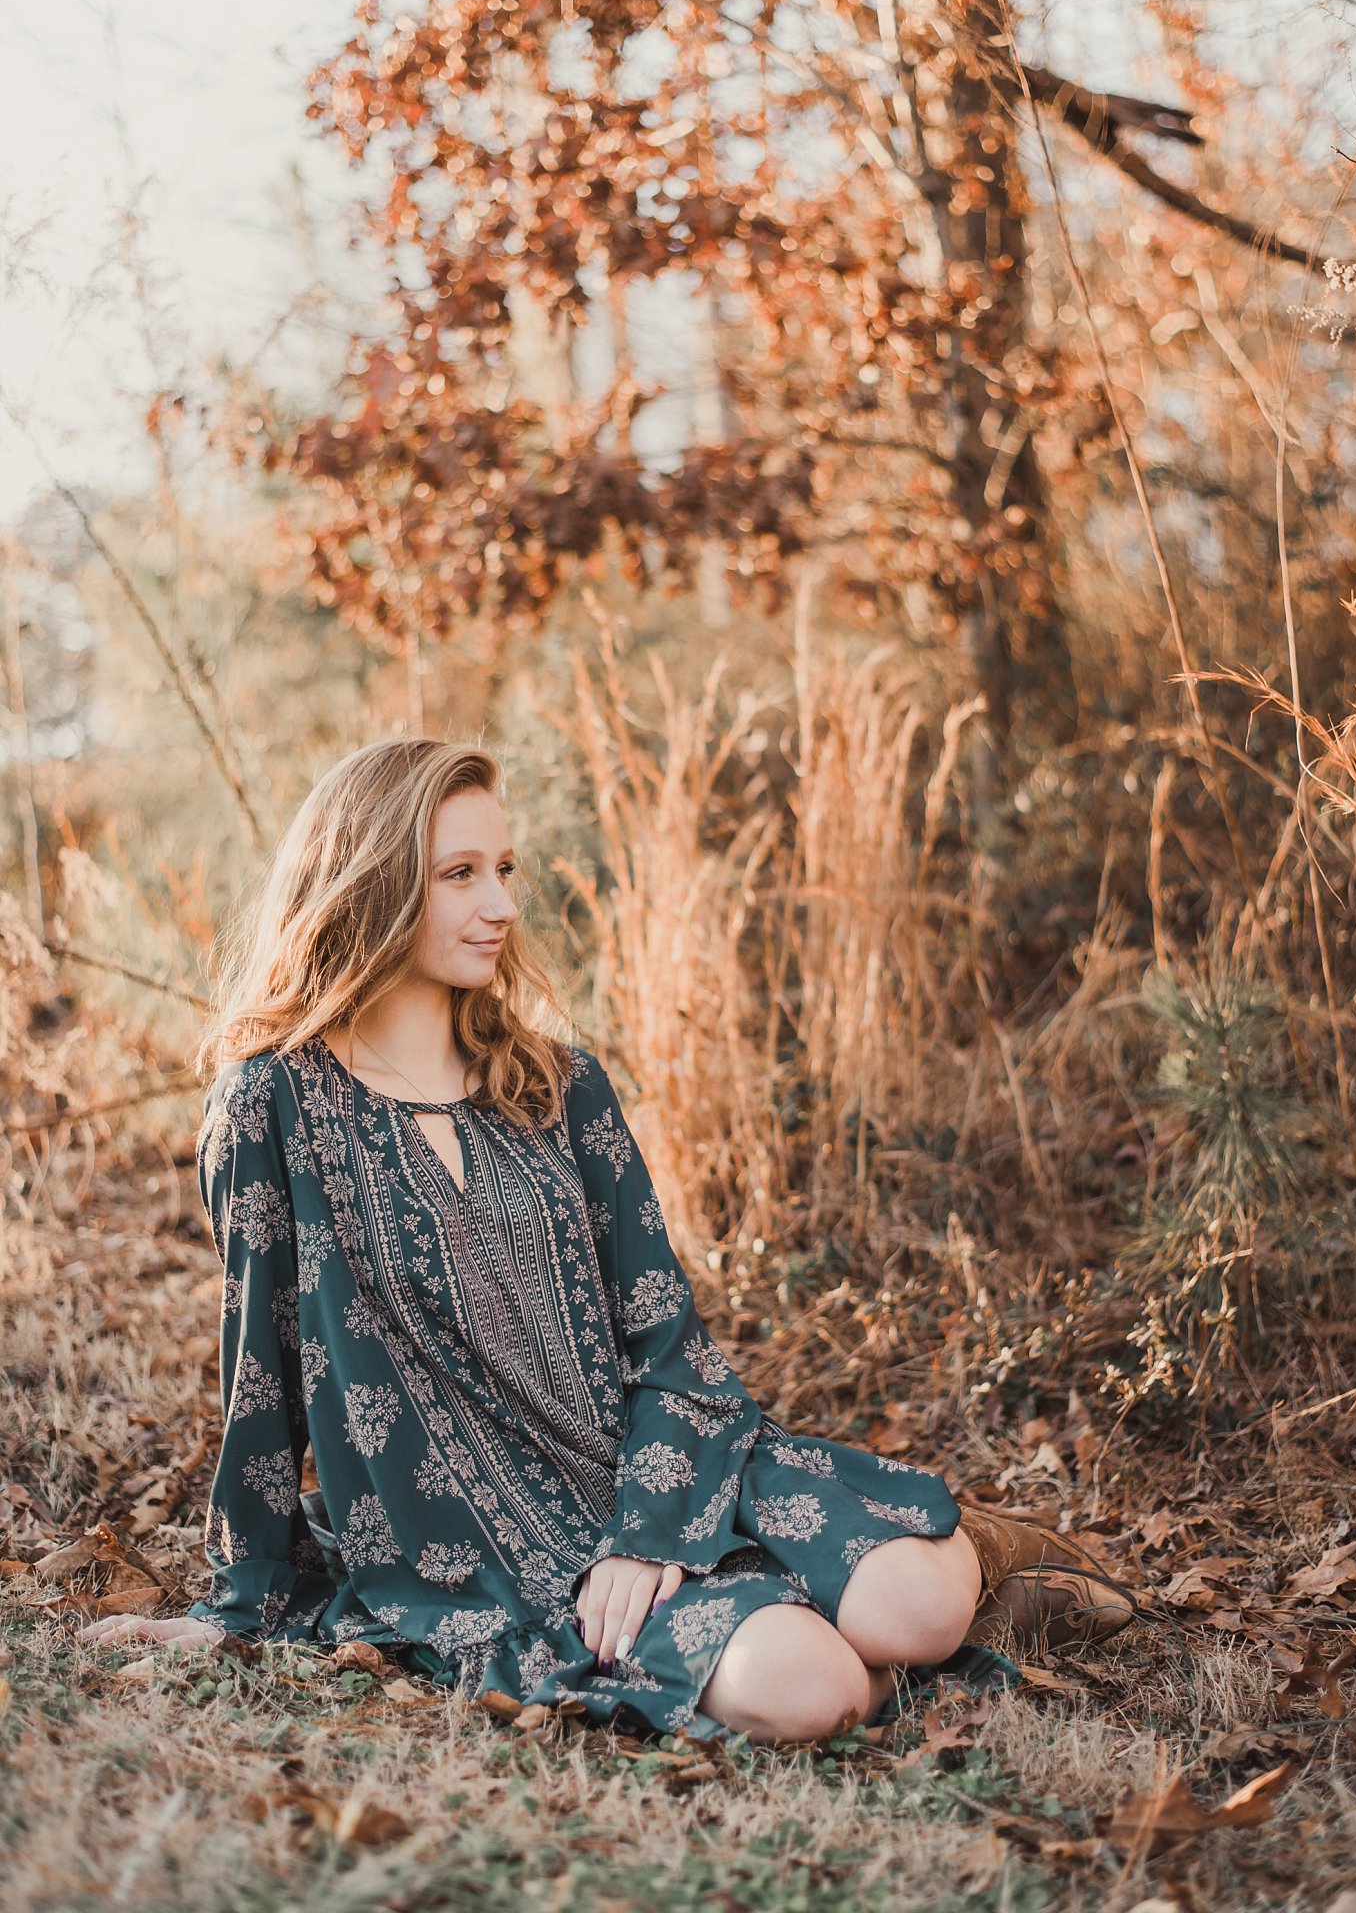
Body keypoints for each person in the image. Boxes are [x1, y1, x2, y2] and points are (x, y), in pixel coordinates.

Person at [80, 739, 1134, 1742]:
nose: (500, 904)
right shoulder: (270, 1104)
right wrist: (238, 1601)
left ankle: (980, 1556)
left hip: (671, 1467)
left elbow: (665, 1338)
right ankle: (810, 1616)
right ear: (367, 881)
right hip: (495, 1549)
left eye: (503, 866)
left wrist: (650, 1530)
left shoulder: (558, 1084)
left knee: (914, 1612)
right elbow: (257, 1380)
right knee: (811, 1691)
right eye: (459, 873)